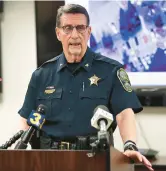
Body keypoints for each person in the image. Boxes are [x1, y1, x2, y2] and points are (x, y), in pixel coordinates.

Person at [18, 4, 153, 171]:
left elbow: (124, 114)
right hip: (48, 161)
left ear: (89, 32)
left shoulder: (111, 71)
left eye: (80, 28)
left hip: (94, 159)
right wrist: (24, 156)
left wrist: (130, 145)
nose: (75, 35)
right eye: (67, 28)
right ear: (58, 33)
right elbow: (27, 120)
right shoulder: (41, 75)